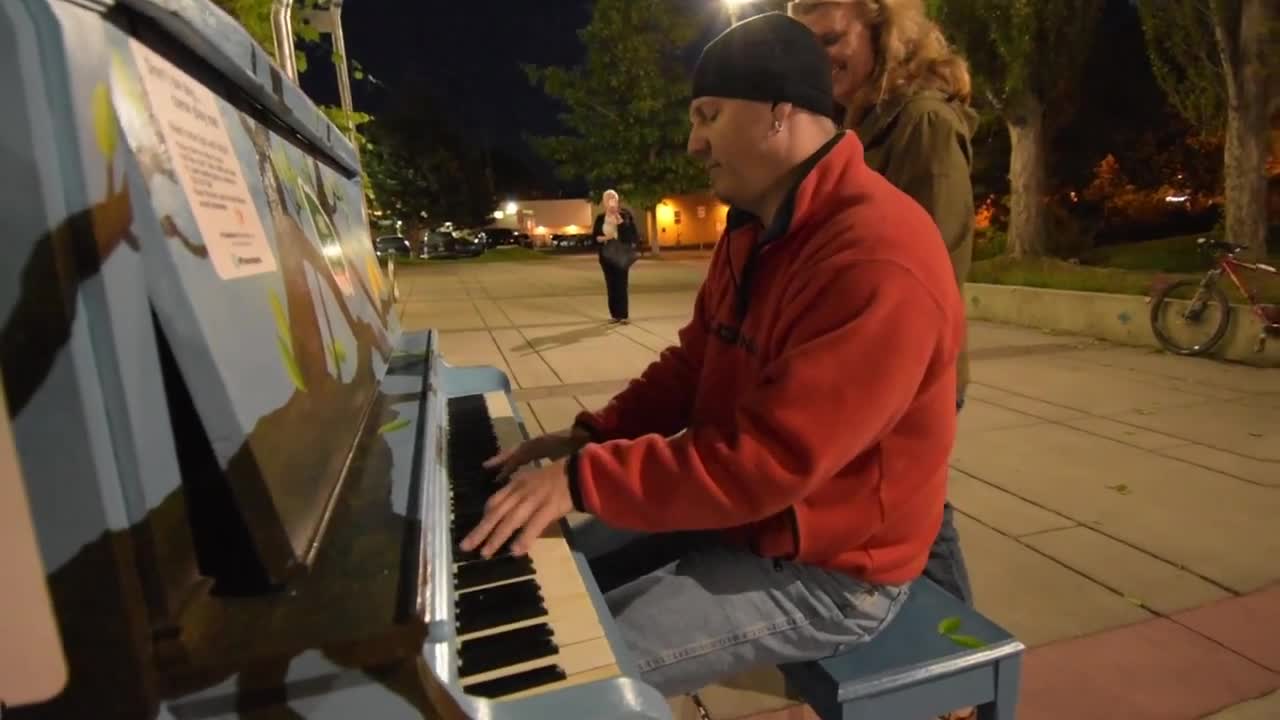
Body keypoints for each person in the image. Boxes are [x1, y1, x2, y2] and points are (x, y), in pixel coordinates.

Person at [459, 13, 964, 698]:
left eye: (709, 115)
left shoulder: (877, 256)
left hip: (836, 573)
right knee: (538, 578)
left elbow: (765, 463)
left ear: (780, 112)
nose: (693, 143)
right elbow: (695, 363)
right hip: (747, 517)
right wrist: (590, 436)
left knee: (565, 680)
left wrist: (582, 480)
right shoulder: (756, 222)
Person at [789, 0, 978, 608]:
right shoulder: (860, 120)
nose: (819, 59)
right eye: (806, 44)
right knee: (898, 514)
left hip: (908, 365)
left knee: (919, 515)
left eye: (831, 39)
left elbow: (933, 265)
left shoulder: (920, 121)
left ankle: (962, 674)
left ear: (880, 28)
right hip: (868, 356)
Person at [592, 189, 639, 324]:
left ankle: (624, 315)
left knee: (621, 284)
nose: (610, 201)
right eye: (607, 198)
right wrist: (602, 238)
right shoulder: (601, 218)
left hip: (620, 252)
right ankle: (615, 315)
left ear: (617, 201)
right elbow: (594, 236)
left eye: (613, 198)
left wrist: (619, 220)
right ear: (604, 202)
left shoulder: (625, 215)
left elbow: (631, 235)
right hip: (606, 253)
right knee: (611, 284)